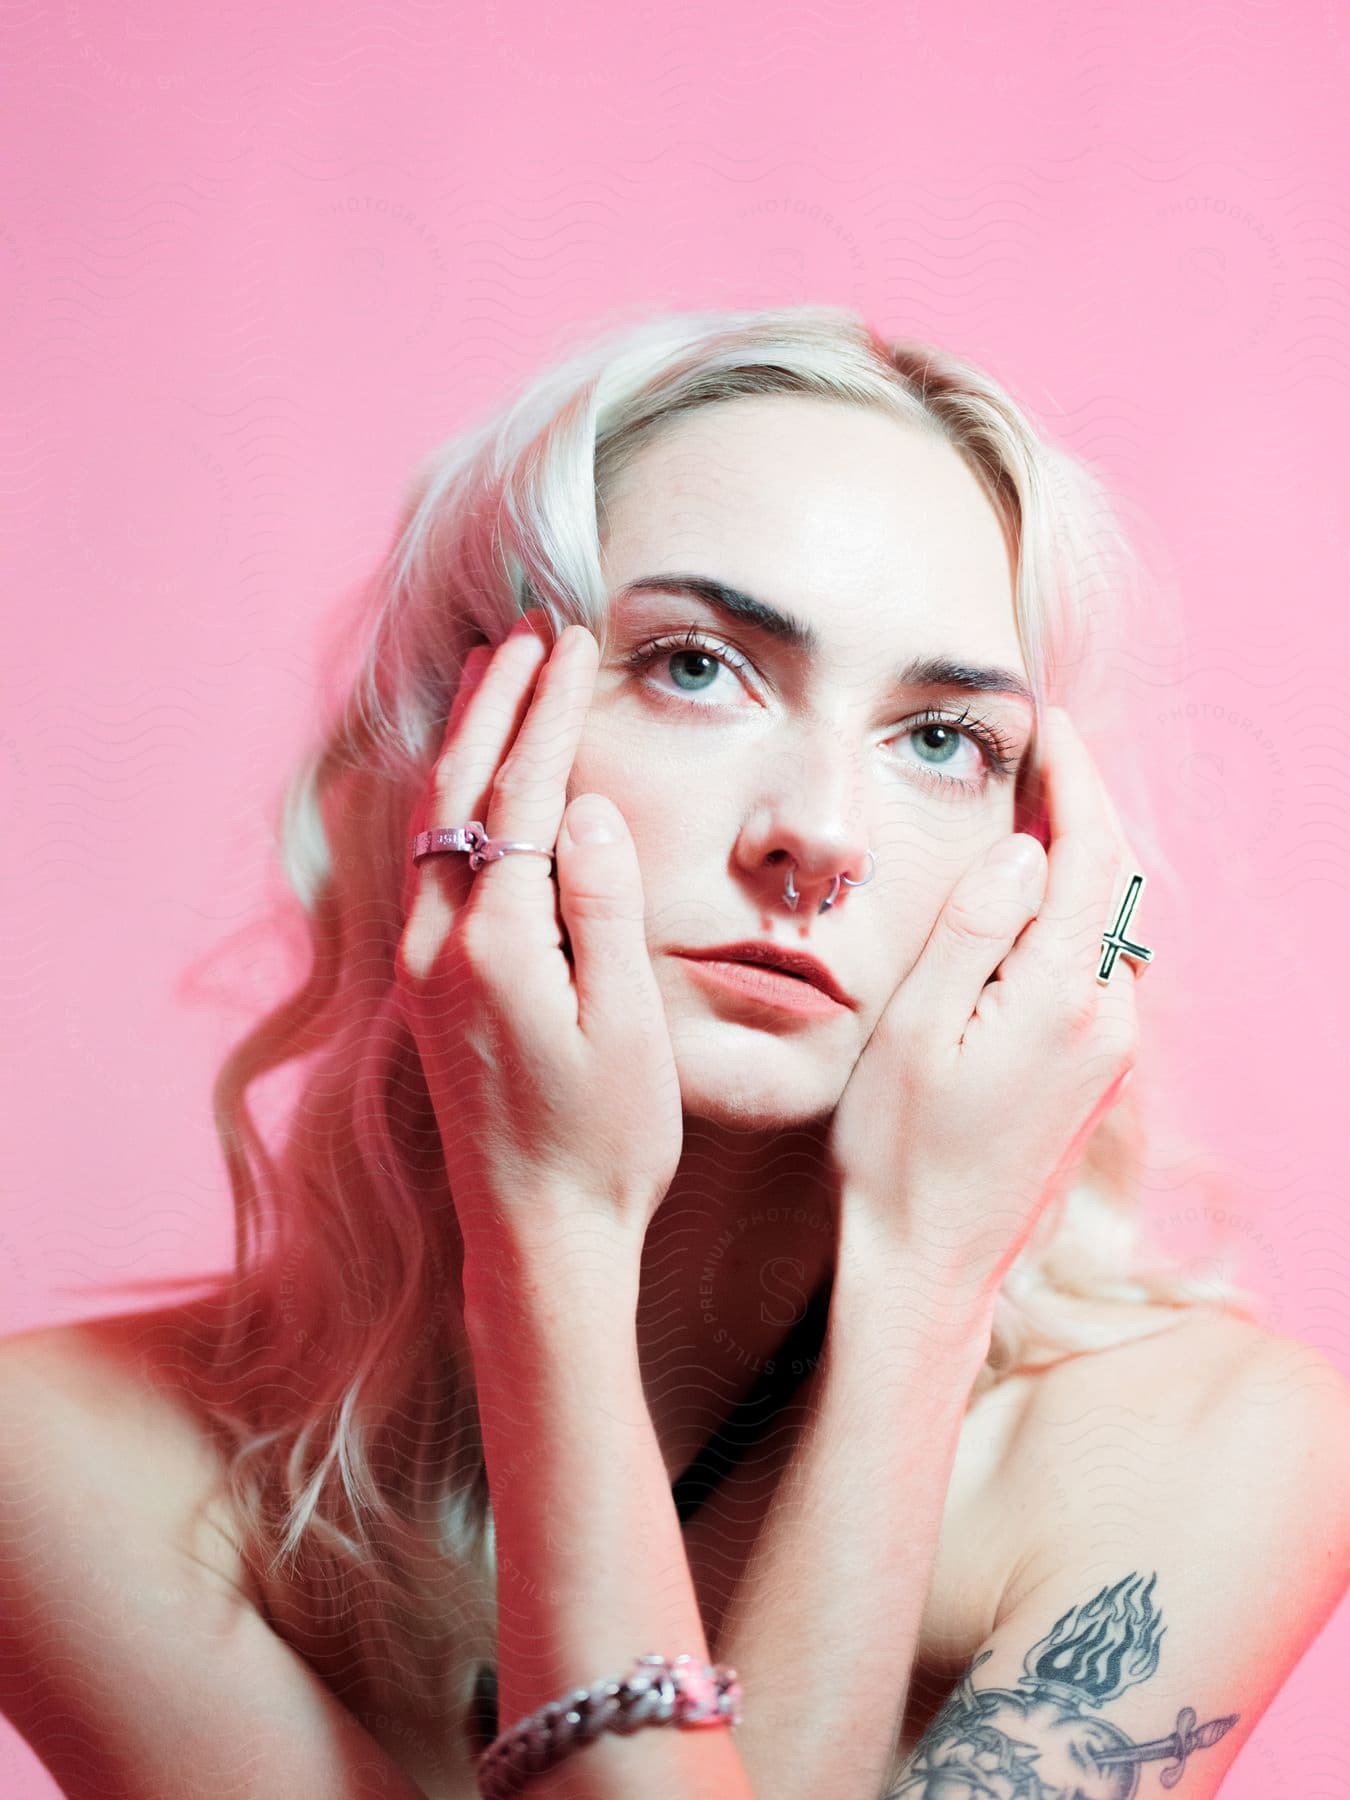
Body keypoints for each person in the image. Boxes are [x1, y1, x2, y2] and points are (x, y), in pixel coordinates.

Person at [3, 304, 1348, 1800]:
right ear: (457, 739)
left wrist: (923, 1279)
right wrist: (551, 1242)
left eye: (942, 738)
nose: (818, 834)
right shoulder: (71, 1460)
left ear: (1044, 858)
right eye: (697, 666)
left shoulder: (1206, 1449)